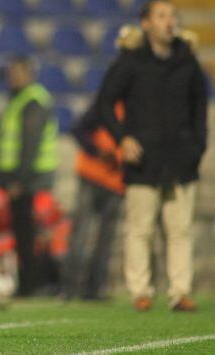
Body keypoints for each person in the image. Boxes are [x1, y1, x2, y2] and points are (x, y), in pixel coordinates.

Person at [98, 0, 207, 312]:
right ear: (145, 23)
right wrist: (123, 139)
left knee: (179, 229)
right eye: (161, 16)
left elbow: (199, 107)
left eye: (172, 15)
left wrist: (198, 145)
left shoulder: (188, 61)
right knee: (140, 229)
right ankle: (140, 292)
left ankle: (179, 291)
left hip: (181, 158)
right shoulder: (131, 61)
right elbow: (105, 103)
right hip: (143, 159)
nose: (169, 22)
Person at [0, 56, 59, 297]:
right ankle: (28, 282)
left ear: (29, 74)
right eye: (11, 72)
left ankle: (33, 283)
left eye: (18, 72)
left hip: (31, 181)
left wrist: (19, 181)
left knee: (29, 233)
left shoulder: (33, 101)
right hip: (21, 180)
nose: (13, 77)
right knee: (22, 233)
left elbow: (30, 144)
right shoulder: (19, 100)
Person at [61, 99, 125, 301]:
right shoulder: (108, 104)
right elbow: (79, 129)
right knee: (82, 233)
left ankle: (95, 289)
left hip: (117, 181)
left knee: (105, 238)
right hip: (92, 175)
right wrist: (97, 152)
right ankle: (70, 288)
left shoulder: (137, 107)